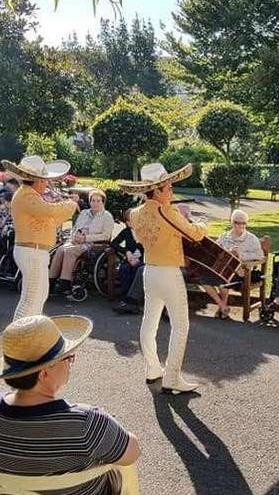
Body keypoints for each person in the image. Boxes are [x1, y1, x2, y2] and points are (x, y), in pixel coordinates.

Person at [0, 314, 139, 494]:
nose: (71, 361)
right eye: (67, 357)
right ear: (44, 373)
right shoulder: (87, 424)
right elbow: (132, 452)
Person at [121, 163, 207, 394]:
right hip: (168, 272)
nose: (171, 191)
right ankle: (172, 377)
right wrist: (203, 224)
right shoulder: (166, 211)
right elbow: (194, 233)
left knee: (149, 322)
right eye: (168, 187)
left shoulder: (137, 213)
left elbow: (140, 239)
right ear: (157, 190)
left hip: (149, 270)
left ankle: (152, 369)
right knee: (181, 325)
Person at [4, 155, 79, 321]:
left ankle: (31, 333)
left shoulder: (30, 195)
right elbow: (50, 211)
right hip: (32, 252)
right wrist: (70, 204)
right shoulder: (27, 195)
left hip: (36, 251)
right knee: (31, 298)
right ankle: (18, 338)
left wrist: (67, 206)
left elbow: (50, 221)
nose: (47, 184)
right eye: (45, 180)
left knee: (40, 295)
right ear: (37, 180)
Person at [49, 189, 114, 297]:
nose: (95, 203)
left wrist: (86, 238)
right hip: (77, 241)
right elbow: (75, 228)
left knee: (70, 251)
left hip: (94, 244)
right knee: (60, 249)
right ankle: (51, 281)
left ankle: (65, 283)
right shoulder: (84, 213)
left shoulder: (107, 216)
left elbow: (106, 236)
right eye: (93, 200)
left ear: (103, 202)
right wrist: (74, 237)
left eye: (98, 201)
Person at [202, 209, 266, 319]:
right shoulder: (224, 236)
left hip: (241, 273)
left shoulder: (251, 239)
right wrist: (226, 253)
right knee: (203, 279)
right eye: (237, 222)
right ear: (232, 222)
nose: (241, 225)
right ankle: (223, 305)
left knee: (223, 279)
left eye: (243, 223)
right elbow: (215, 251)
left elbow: (259, 256)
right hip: (222, 269)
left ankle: (222, 308)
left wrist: (240, 255)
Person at [111, 208, 145, 315]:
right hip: (129, 260)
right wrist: (126, 252)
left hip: (143, 260)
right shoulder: (126, 232)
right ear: (127, 222)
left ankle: (132, 301)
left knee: (137, 269)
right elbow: (114, 243)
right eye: (130, 220)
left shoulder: (143, 231)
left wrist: (138, 256)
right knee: (124, 268)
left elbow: (147, 248)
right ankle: (125, 297)